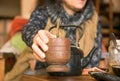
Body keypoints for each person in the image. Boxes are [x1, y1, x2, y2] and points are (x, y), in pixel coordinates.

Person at [22, 0, 102, 74]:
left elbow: (94, 58)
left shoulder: (94, 18)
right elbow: (29, 29)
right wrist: (36, 37)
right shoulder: (44, 11)